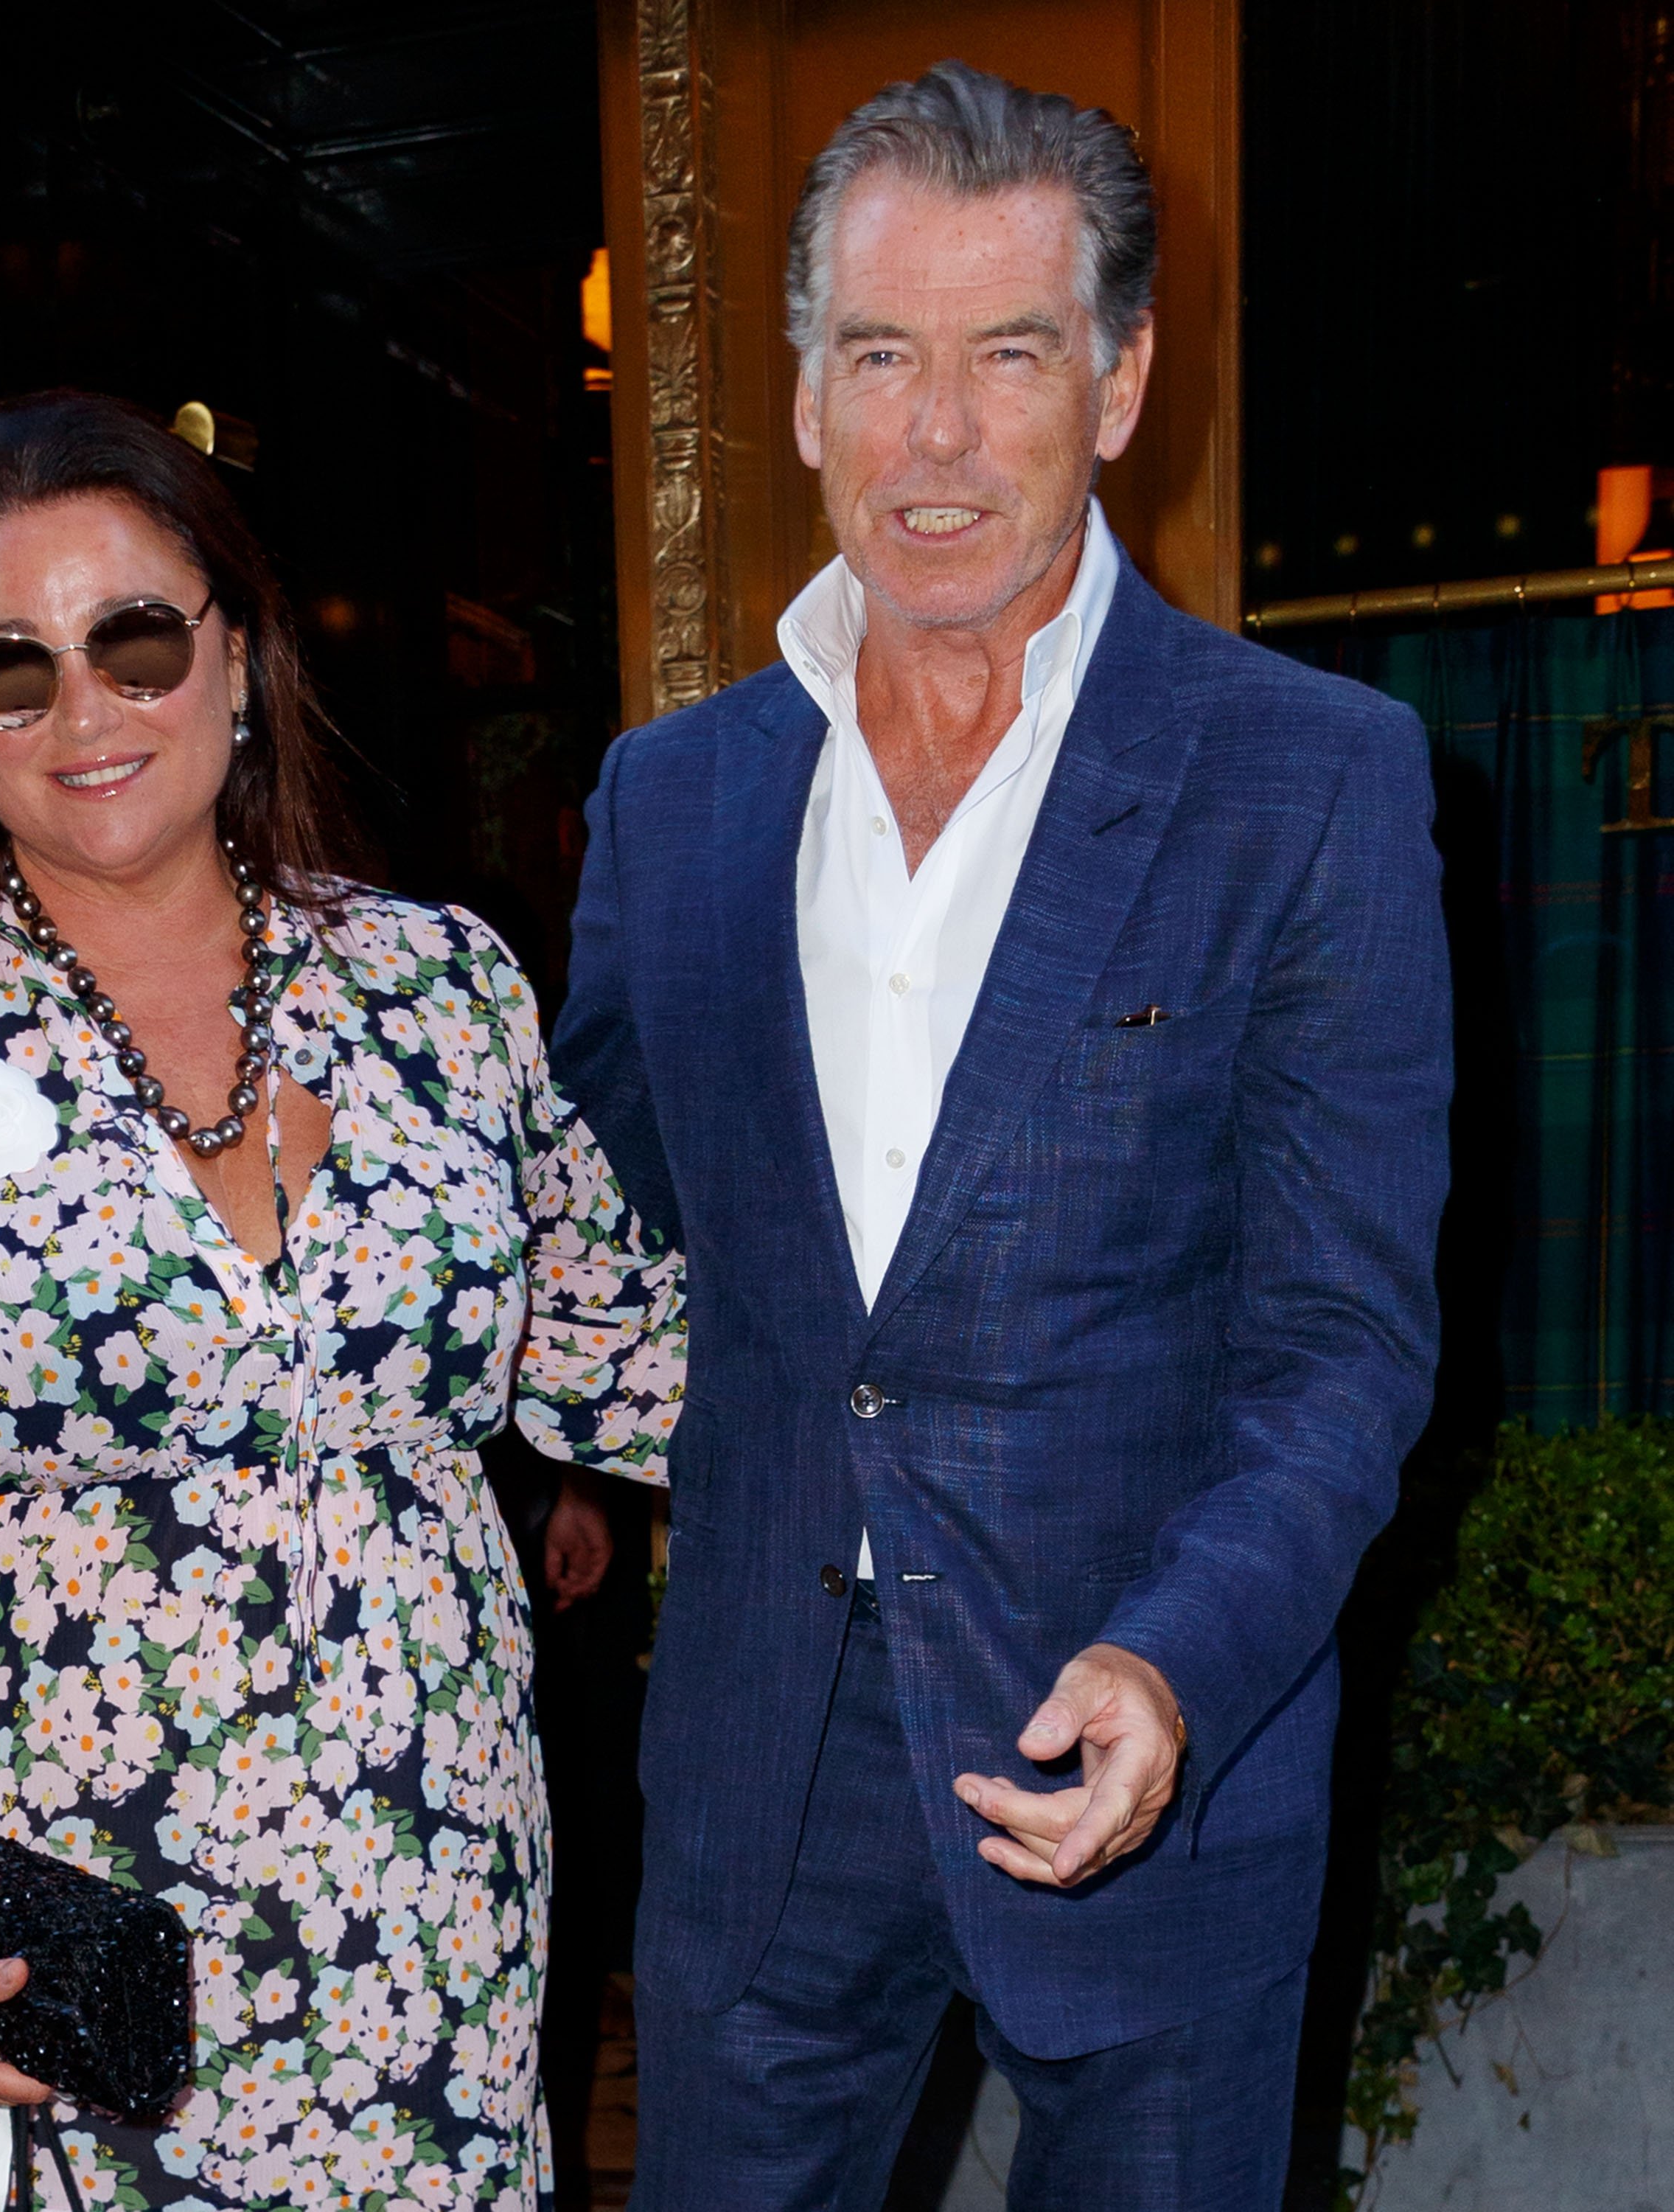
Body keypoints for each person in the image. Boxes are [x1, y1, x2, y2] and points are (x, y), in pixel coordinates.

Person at [551, 60, 1451, 2212]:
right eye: (877, 357)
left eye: (1004, 357)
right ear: (798, 396)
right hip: (764, 1761)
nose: (932, 437)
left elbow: (1338, 1343)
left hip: (1134, 1741)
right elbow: (598, 1241)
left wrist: (1175, 1659)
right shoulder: (664, 805)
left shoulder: (1305, 784)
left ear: (1119, 383)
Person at [0, 391, 685, 2212]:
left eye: (133, 643)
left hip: (429, 1921)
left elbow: (627, 1351)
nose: (87, 713)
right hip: (69, 1967)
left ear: (239, 655)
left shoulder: (436, 989)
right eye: (11, 671)